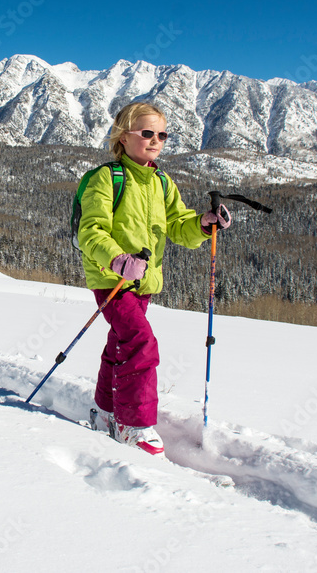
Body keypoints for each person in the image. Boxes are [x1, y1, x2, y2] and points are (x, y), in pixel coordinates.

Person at [77, 102, 231, 455]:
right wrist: (117, 259)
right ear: (123, 136)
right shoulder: (107, 178)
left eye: (162, 134)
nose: (156, 140)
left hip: (144, 281)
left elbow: (178, 225)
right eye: (147, 133)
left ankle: (104, 411)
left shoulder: (162, 181)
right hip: (110, 278)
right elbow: (91, 230)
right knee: (141, 342)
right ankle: (134, 425)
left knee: (123, 341)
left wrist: (204, 224)